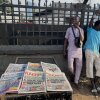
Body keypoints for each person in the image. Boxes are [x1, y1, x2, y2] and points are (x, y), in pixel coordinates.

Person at [63, 16, 84, 87]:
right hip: (71, 50)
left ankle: (76, 81)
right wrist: (64, 51)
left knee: (79, 66)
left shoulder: (81, 29)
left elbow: (82, 39)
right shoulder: (69, 29)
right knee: (70, 67)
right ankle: (73, 76)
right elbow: (65, 40)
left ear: (79, 22)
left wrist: (78, 28)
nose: (74, 21)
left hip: (79, 51)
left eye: (76, 20)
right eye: (74, 19)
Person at [84, 12, 100, 94]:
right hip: (89, 50)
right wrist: (94, 16)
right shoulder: (90, 30)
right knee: (89, 68)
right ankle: (93, 86)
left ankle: (94, 83)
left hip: (97, 52)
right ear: (97, 25)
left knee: (99, 68)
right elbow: (90, 23)